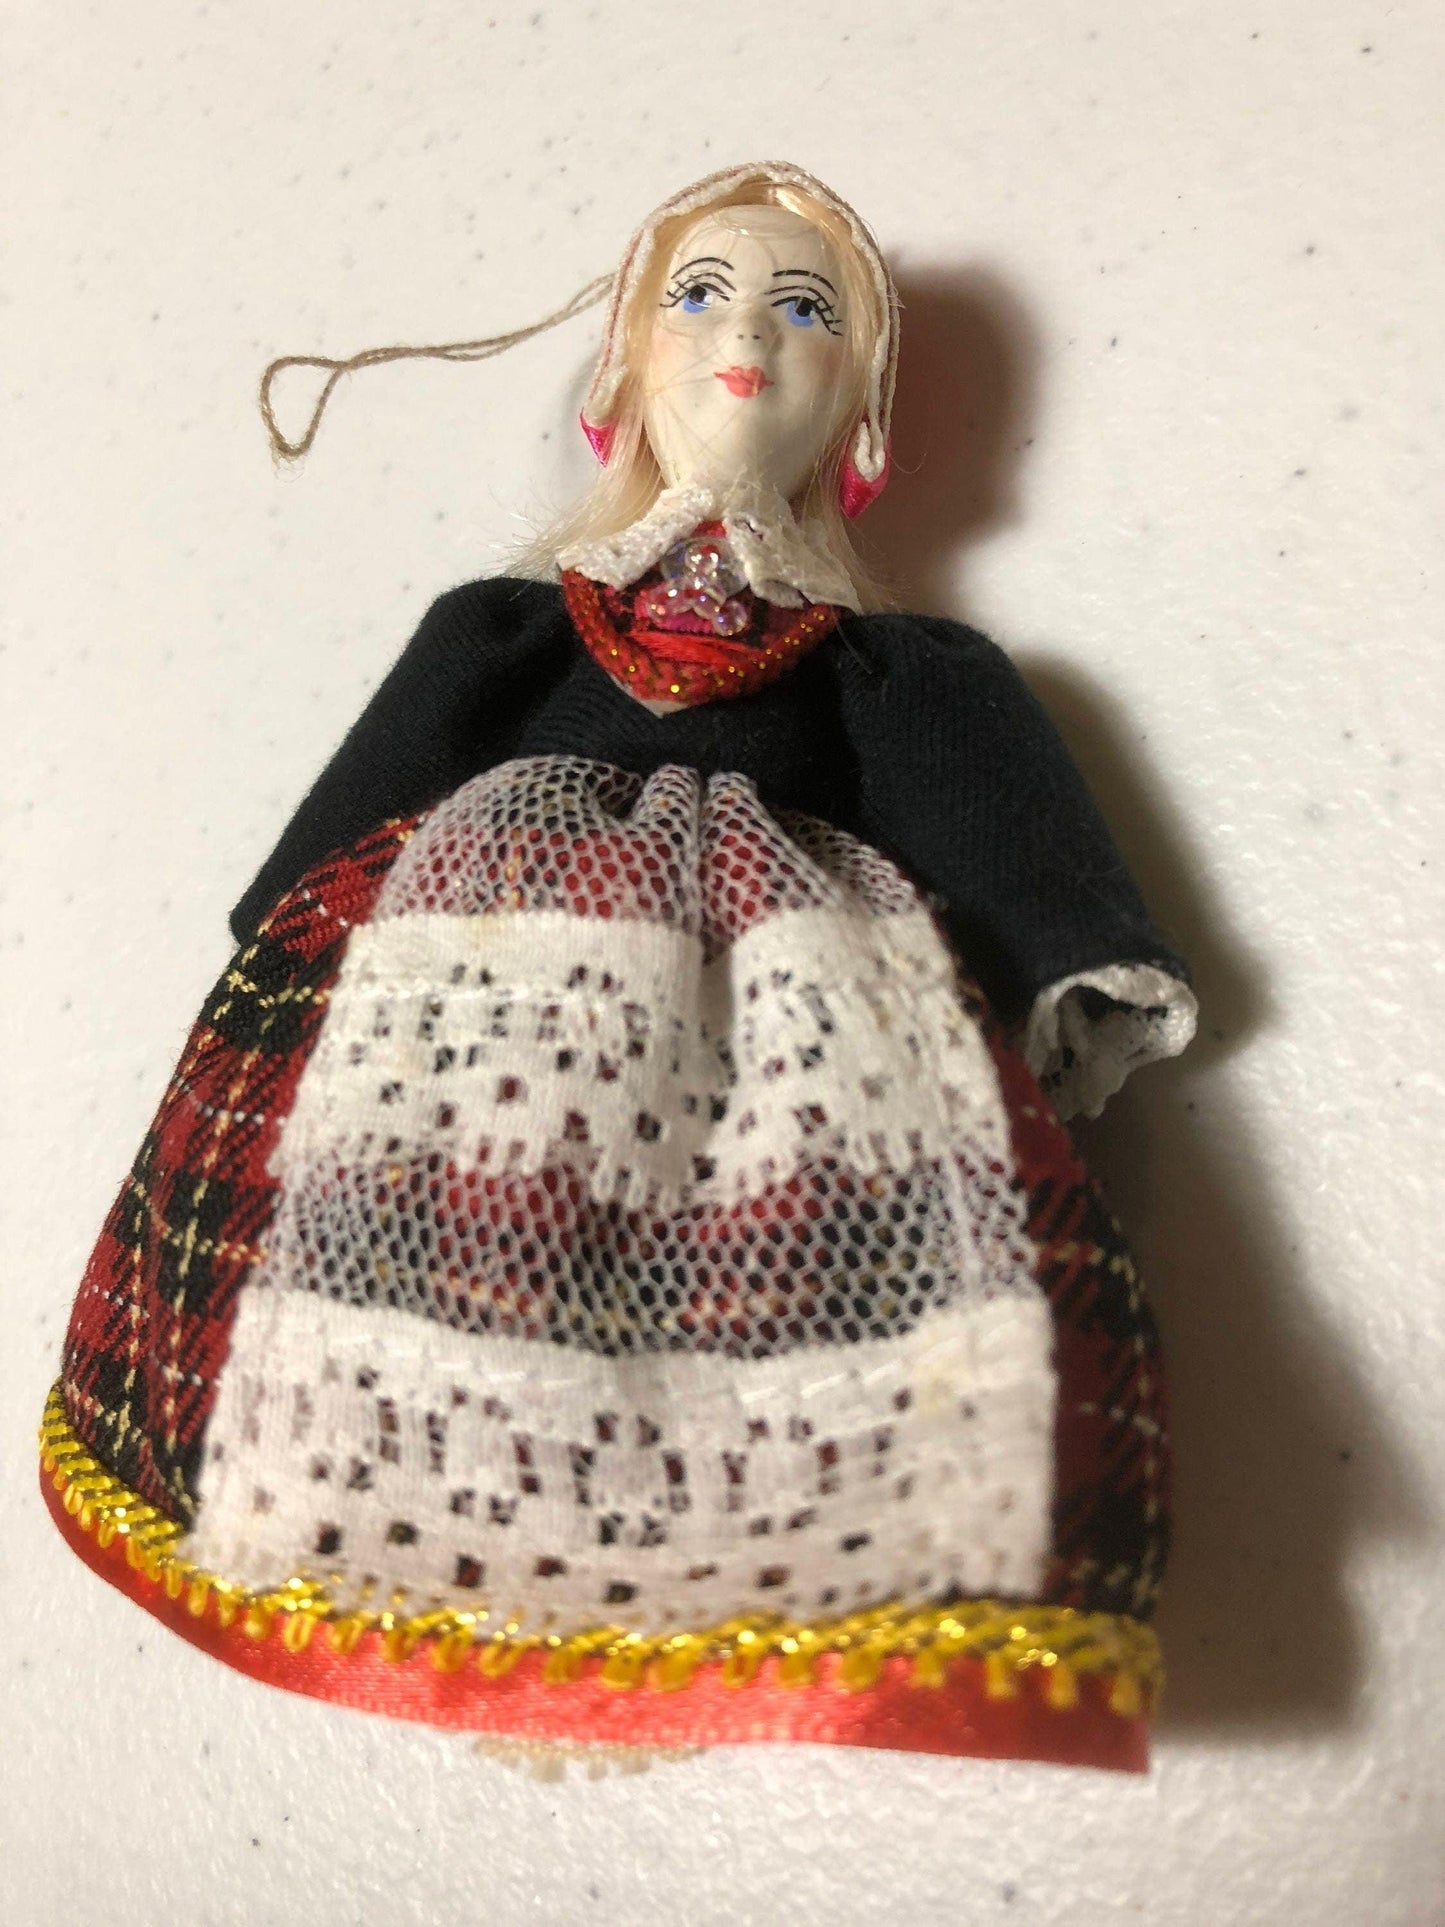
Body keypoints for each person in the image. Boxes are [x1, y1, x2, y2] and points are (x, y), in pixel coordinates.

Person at [47, 163, 1195, 1766]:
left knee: (775, 1290)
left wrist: (1074, 958)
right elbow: (351, 819)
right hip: (469, 995)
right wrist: (284, 970)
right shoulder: (508, 631)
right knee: (436, 1249)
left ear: (859, 415)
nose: (746, 339)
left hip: (789, 1010)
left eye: (805, 311)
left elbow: (982, 806)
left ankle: (711, 1574)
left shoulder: (891, 669)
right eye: (699, 296)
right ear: (622, 370)